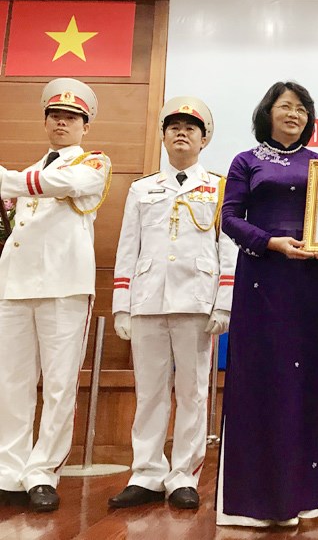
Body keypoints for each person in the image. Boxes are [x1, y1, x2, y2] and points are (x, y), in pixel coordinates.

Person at [217, 81, 318, 528]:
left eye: (302, 108)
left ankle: (304, 498)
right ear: (267, 112)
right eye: (286, 106)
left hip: (308, 280)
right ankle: (254, 503)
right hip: (261, 278)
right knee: (261, 378)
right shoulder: (245, 160)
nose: (294, 114)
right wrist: (270, 242)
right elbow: (229, 217)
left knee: (304, 379)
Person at [108, 97, 236, 510]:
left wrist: (224, 303)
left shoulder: (219, 187)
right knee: (149, 392)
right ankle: (146, 473)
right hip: (148, 300)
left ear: (204, 140)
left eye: (190, 128)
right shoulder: (142, 188)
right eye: (174, 127)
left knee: (193, 392)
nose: (182, 133)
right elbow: (128, 247)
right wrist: (122, 304)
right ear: (163, 137)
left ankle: (183, 475)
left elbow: (227, 248)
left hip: (197, 300)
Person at [0, 78, 111, 512]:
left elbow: (52, 185)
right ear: (45, 121)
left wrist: (6, 180)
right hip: (15, 285)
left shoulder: (93, 163)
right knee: (12, 382)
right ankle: (9, 471)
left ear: (85, 126)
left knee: (60, 384)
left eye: (71, 117)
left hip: (64, 286)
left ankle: (43, 471)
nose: (62, 122)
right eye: (55, 116)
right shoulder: (27, 172)